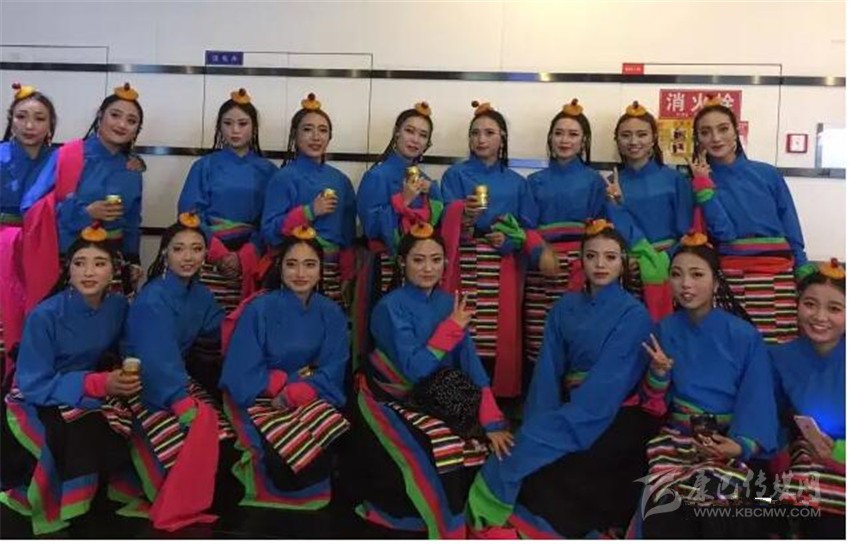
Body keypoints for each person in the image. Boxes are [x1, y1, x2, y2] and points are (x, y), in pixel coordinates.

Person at [467, 220, 655, 538]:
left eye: (610, 257)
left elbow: (609, 384)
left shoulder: (635, 314)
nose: (600, 264)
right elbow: (547, 372)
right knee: (529, 443)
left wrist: (556, 427)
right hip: (569, 407)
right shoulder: (564, 307)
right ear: (581, 260)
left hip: (613, 412)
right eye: (592, 256)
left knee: (559, 457)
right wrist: (539, 422)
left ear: (623, 262)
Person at [346, 223, 512, 538]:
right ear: (402, 263)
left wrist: (492, 420)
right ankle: (443, 521)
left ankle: (481, 515)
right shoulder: (389, 307)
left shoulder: (449, 302)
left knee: (492, 443)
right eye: (418, 260)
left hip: (436, 394)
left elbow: (470, 362)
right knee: (441, 443)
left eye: (436, 260)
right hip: (390, 396)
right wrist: (451, 327)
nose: (428, 268)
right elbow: (415, 369)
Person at [632, 232, 778, 538]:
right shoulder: (664, 330)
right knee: (668, 508)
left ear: (716, 282)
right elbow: (653, 403)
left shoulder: (745, 336)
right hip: (677, 441)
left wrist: (740, 445)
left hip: (728, 440)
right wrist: (659, 373)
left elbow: (758, 399)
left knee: (719, 509)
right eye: (677, 274)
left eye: (697, 274)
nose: (686, 284)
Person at [0, 225, 140, 535]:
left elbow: (127, 346)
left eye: (99, 263)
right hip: (38, 391)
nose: (88, 272)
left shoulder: (117, 306)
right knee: (77, 429)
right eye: (80, 263)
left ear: (113, 270)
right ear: (68, 269)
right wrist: (96, 384)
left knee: (128, 420)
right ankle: (67, 506)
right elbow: (32, 382)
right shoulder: (45, 315)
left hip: (90, 386)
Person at [220, 227, 350, 510]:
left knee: (321, 455)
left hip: (310, 394)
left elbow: (333, 366)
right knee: (283, 465)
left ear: (320, 270)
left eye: (309, 265)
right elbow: (241, 368)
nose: (300, 273)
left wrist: (299, 390)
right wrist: (276, 383)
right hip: (262, 395)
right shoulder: (259, 308)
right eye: (292, 264)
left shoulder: (331, 312)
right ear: (280, 268)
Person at [122, 213, 232, 532]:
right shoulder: (153, 297)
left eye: (196, 249)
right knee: (190, 443)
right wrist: (180, 401)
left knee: (222, 442)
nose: (188, 257)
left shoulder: (201, 295)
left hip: (177, 379)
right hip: (144, 385)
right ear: (165, 253)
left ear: (206, 254)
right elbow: (156, 357)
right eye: (179, 248)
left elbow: (221, 331)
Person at [440, 100, 557, 398]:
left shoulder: (517, 183)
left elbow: (527, 228)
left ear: (502, 138)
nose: (481, 139)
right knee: (462, 327)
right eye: (475, 133)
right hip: (465, 260)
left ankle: (497, 398)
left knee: (499, 333)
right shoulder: (454, 175)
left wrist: (510, 240)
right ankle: (459, 395)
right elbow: (443, 221)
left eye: (489, 133)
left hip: (503, 265)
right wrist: (463, 216)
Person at [692, 96, 810, 343]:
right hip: (731, 275)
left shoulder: (767, 173)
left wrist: (802, 267)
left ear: (736, 131)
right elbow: (723, 233)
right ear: (698, 139)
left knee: (779, 344)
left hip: (778, 272)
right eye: (705, 132)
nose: (715, 138)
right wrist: (704, 188)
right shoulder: (697, 182)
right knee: (735, 343)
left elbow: (790, 223)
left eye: (723, 129)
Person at [604, 101, 735, 321]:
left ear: (654, 137)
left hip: (671, 270)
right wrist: (627, 261)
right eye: (626, 135)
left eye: (642, 134)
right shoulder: (610, 184)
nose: (634, 141)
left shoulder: (675, 180)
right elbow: (609, 235)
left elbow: (689, 231)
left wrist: (663, 260)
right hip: (629, 272)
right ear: (617, 139)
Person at [354, 101, 443, 361]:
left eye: (422, 135)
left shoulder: (428, 183)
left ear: (428, 144)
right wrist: (402, 200)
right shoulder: (377, 176)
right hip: (383, 267)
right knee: (383, 334)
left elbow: (437, 228)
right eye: (409, 131)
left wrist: (435, 194)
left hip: (421, 269)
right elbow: (371, 228)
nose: (415, 139)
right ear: (397, 133)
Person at [178, 88, 276, 312]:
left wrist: (246, 254)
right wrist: (219, 253)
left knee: (246, 318)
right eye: (228, 123)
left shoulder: (269, 171)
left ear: (254, 128)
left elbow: (271, 219)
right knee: (205, 317)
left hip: (252, 258)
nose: (235, 130)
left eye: (243, 123)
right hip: (207, 255)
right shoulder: (204, 166)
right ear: (219, 127)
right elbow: (190, 213)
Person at [524, 99, 607, 363]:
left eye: (573, 134)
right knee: (540, 339)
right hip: (542, 266)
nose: (564, 140)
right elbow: (526, 226)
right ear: (550, 138)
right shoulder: (534, 181)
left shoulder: (594, 181)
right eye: (559, 133)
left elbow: (600, 227)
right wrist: (540, 252)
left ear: (584, 141)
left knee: (579, 336)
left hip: (581, 267)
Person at [770, 259, 845, 538]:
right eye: (810, 304)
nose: (820, 316)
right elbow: (772, 415)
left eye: (834, 309)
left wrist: (839, 453)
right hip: (809, 457)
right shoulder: (779, 357)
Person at [261, 93, 356, 308]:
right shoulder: (283, 178)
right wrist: (309, 212)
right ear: (295, 135)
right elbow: (269, 231)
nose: (315, 137)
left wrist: (348, 272)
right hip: (294, 268)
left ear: (330, 137)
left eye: (323, 130)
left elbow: (348, 236)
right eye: (307, 129)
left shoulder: (341, 181)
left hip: (331, 271)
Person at [55, 83, 145, 296]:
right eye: (115, 115)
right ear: (100, 116)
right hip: (70, 258)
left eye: (131, 121)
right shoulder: (68, 156)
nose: (122, 124)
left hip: (114, 262)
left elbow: (132, 221)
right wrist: (86, 212)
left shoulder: (132, 167)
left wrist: (133, 259)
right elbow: (44, 209)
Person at [0, 82, 59, 379]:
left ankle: (30, 380)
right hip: (3, 244)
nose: (29, 125)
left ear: (51, 125)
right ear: (11, 120)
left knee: (38, 313)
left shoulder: (61, 159)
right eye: (21, 116)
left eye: (39, 118)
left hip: (44, 245)